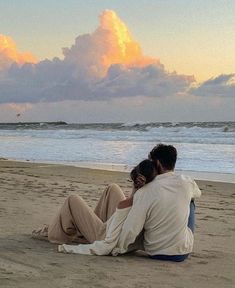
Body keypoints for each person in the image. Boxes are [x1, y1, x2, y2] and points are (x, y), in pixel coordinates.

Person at [32, 160, 156, 249]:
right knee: (112, 188)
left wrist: (135, 191)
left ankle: (54, 231)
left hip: (108, 237)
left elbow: (127, 207)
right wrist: (136, 189)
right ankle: (83, 230)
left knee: (72, 199)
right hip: (119, 231)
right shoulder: (155, 191)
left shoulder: (141, 196)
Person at [112, 144, 201, 262]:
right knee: (190, 200)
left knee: (181, 199)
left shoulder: (146, 190)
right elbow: (198, 193)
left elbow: (132, 227)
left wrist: (120, 247)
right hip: (182, 253)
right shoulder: (186, 181)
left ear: (157, 163)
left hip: (155, 252)